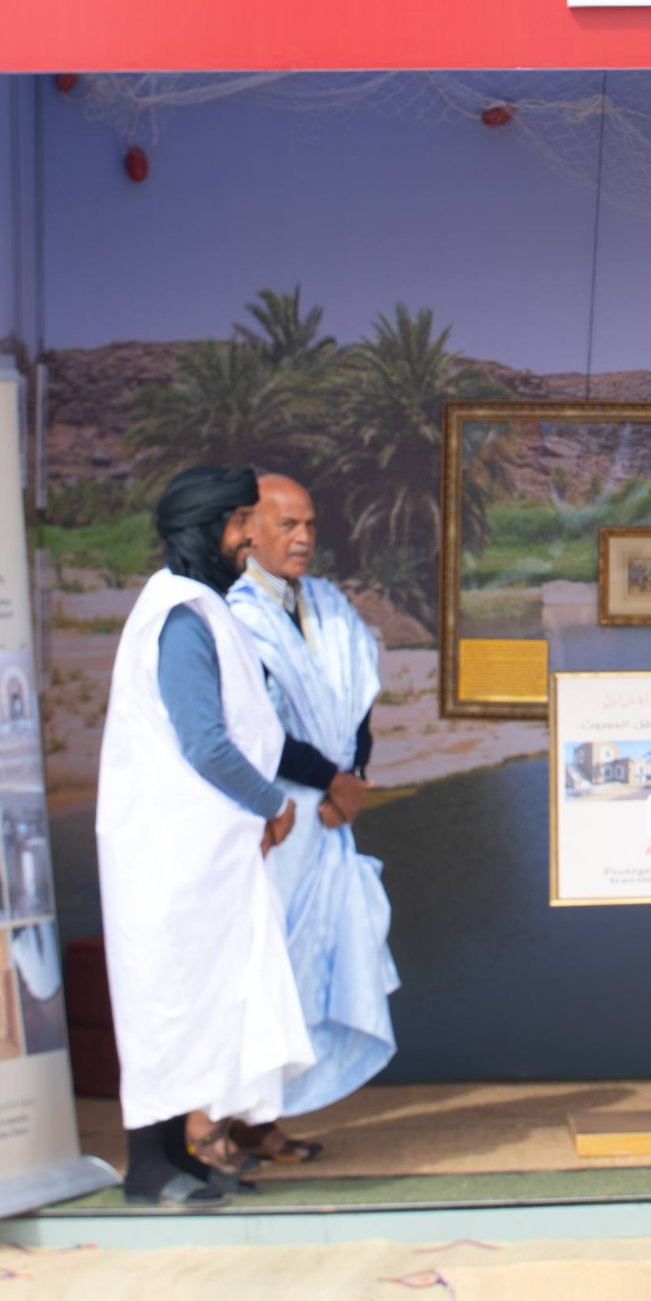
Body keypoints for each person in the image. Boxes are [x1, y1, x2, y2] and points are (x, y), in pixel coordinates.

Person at [95, 465, 314, 1207]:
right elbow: (205, 742)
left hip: (201, 852)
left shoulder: (201, 607)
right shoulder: (181, 617)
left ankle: (179, 1159)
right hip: (170, 853)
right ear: (209, 528)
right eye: (241, 521)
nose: (252, 535)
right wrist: (272, 804)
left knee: (200, 1005)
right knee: (166, 1005)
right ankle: (148, 1168)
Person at [226, 473, 397, 1159]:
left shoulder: (327, 604)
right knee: (262, 968)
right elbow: (253, 726)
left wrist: (351, 779)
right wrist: (331, 780)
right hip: (273, 813)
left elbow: (358, 699)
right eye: (287, 525)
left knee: (309, 965)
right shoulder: (235, 612)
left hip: (327, 814)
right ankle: (234, 1117)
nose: (303, 539)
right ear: (249, 531)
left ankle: (269, 1115)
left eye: (310, 526)